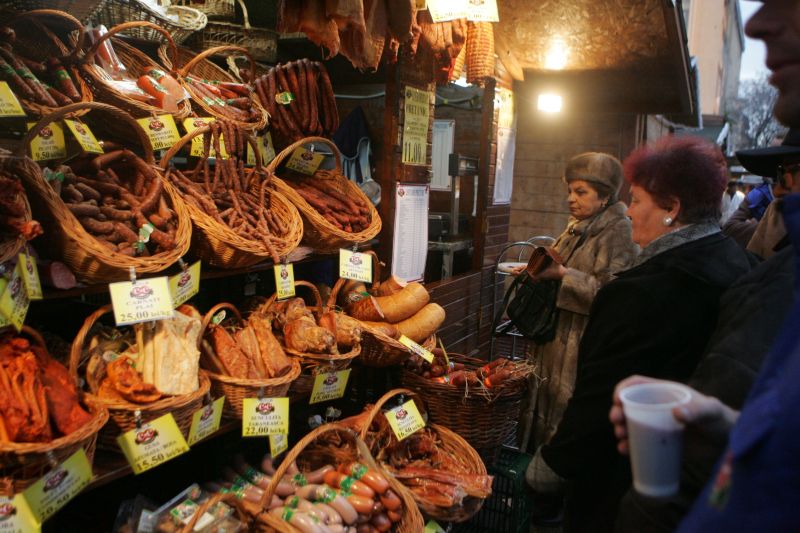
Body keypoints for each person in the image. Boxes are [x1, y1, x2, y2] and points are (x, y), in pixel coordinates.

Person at [610, 1, 800, 530]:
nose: (760, 23)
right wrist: (734, 429)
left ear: (671, 207)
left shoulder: (657, 284)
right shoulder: (748, 264)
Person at [525, 136, 752, 532]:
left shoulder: (640, 292)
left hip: (626, 483)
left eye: (638, 201)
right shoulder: (739, 264)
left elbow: (596, 403)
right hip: (699, 480)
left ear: (672, 209)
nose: (629, 212)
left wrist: (549, 469)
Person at [514, 152, 639, 452]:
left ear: (605, 195)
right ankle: (530, 479)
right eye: (570, 190)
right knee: (539, 407)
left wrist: (564, 276)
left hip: (580, 345)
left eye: (581, 192)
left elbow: (617, 294)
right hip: (552, 338)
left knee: (563, 419)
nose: (571, 198)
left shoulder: (619, 232)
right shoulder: (575, 228)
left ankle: (550, 483)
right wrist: (536, 270)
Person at [737, 128, 800, 259]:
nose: (777, 191)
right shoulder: (776, 209)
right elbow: (755, 263)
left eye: (792, 171)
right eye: (781, 172)